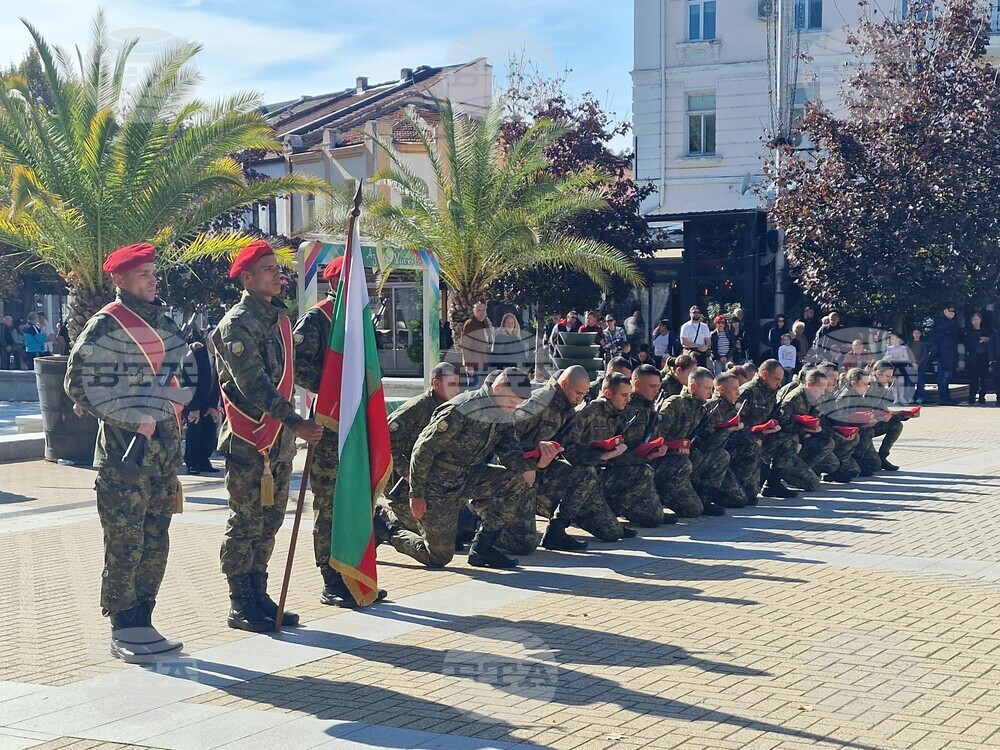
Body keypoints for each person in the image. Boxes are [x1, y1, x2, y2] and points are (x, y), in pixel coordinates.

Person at [65, 242, 186, 663]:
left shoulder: (162, 321)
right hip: (125, 460)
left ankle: (144, 619)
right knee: (125, 545)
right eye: (143, 274)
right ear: (119, 280)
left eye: (153, 273)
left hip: (163, 456)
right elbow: (76, 386)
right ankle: (122, 627)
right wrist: (132, 419)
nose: (153, 280)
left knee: (156, 542)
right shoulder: (106, 325)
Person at [214, 240, 324, 632]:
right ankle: (240, 601)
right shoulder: (238, 323)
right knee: (245, 521)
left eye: (278, 268)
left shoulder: (278, 318)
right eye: (268, 269)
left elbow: (292, 376)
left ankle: (259, 595)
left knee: (271, 519)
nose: (279, 274)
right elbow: (254, 385)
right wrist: (295, 422)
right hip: (251, 437)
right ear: (246, 278)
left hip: (278, 439)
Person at [292, 256, 387, 608]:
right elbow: (298, 366)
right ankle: (332, 579)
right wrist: (335, 389)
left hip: (357, 422)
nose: (369, 288)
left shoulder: (361, 320)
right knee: (331, 504)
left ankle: (356, 574)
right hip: (331, 424)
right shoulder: (320, 319)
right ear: (337, 284)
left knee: (358, 500)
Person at [378, 368, 537, 569]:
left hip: (469, 475)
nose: (513, 409)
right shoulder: (462, 409)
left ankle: (483, 546)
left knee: (515, 481)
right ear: (498, 388)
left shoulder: (502, 413)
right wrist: (416, 494)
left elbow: (508, 449)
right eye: (512, 402)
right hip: (437, 485)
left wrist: (526, 468)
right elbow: (422, 450)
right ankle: (384, 526)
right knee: (438, 556)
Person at [382, 361, 466, 549]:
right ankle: (383, 518)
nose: (457, 389)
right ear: (436, 384)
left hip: (430, 479)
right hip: (400, 479)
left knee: (462, 532)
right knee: (433, 537)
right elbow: (384, 440)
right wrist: (407, 472)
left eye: (458, 384)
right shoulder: (417, 407)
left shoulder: (450, 408)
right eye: (452, 384)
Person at [181, 326, 221, 475]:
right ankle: (191, 463)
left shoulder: (219, 358)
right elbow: (188, 382)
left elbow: (217, 383)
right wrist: (193, 408)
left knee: (209, 429)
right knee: (194, 430)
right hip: (191, 401)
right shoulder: (196, 355)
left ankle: (204, 461)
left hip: (207, 402)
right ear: (209, 340)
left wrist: (213, 406)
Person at [929, 305, 959, 405]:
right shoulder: (941, 323)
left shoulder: (953, 323)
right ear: (945, 311)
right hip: (942, 354)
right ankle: (943, 398)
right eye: (950, 310)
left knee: (948, 376)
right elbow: (939, 338)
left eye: (953, 311)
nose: (952, 313)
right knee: (943, 377)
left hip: (950, 354)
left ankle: (946, 397)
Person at [459, 301, 493, 386]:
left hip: (485, 364)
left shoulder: (485, 323)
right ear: (474, 312)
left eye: (483, 310)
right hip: (475, 366)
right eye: (479, 310)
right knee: (474, 392)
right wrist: (470, 366)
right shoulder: (470, 324)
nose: (481, 312)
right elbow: (465, 346)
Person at [963, 312, 992, 405]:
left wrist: (986, 340)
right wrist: (977, 341)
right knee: (973, 379)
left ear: (980, 320)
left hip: (984, 358)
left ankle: (982, 397)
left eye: (977, 319)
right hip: (973, 358)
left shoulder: (985, 331)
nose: (976, 321)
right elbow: (967, 344)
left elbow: (991, 343)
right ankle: (971, 398)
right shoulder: (969, 332)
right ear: (971, 321)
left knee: (984, 379)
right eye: (974, 319)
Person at [884, 333, 913, 404]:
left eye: (893, 339)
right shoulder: (889, 348)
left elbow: (906, 358)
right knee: (894, 383)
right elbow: (885, 358)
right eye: (891, 339)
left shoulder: (903, 348)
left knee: (901, 382)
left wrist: (898, 357)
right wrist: (891, 357)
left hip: (901, 366)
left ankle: (901, 397)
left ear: (898, 339)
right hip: (892, 366)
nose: (892, 340)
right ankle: (895, 398)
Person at [908, 328, 928, 404]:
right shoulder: (910, 343)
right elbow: (908, 354)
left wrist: (918, 363)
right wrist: (912, 363)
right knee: (910, 382)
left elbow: (924, 355)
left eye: (918, 333)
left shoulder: (923, 344)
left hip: (920, 366)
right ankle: (911, 397)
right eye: (914, 333)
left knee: (920, 381)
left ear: (921, 334)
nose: (916, 335)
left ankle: (920, 397)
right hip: (910, 365)